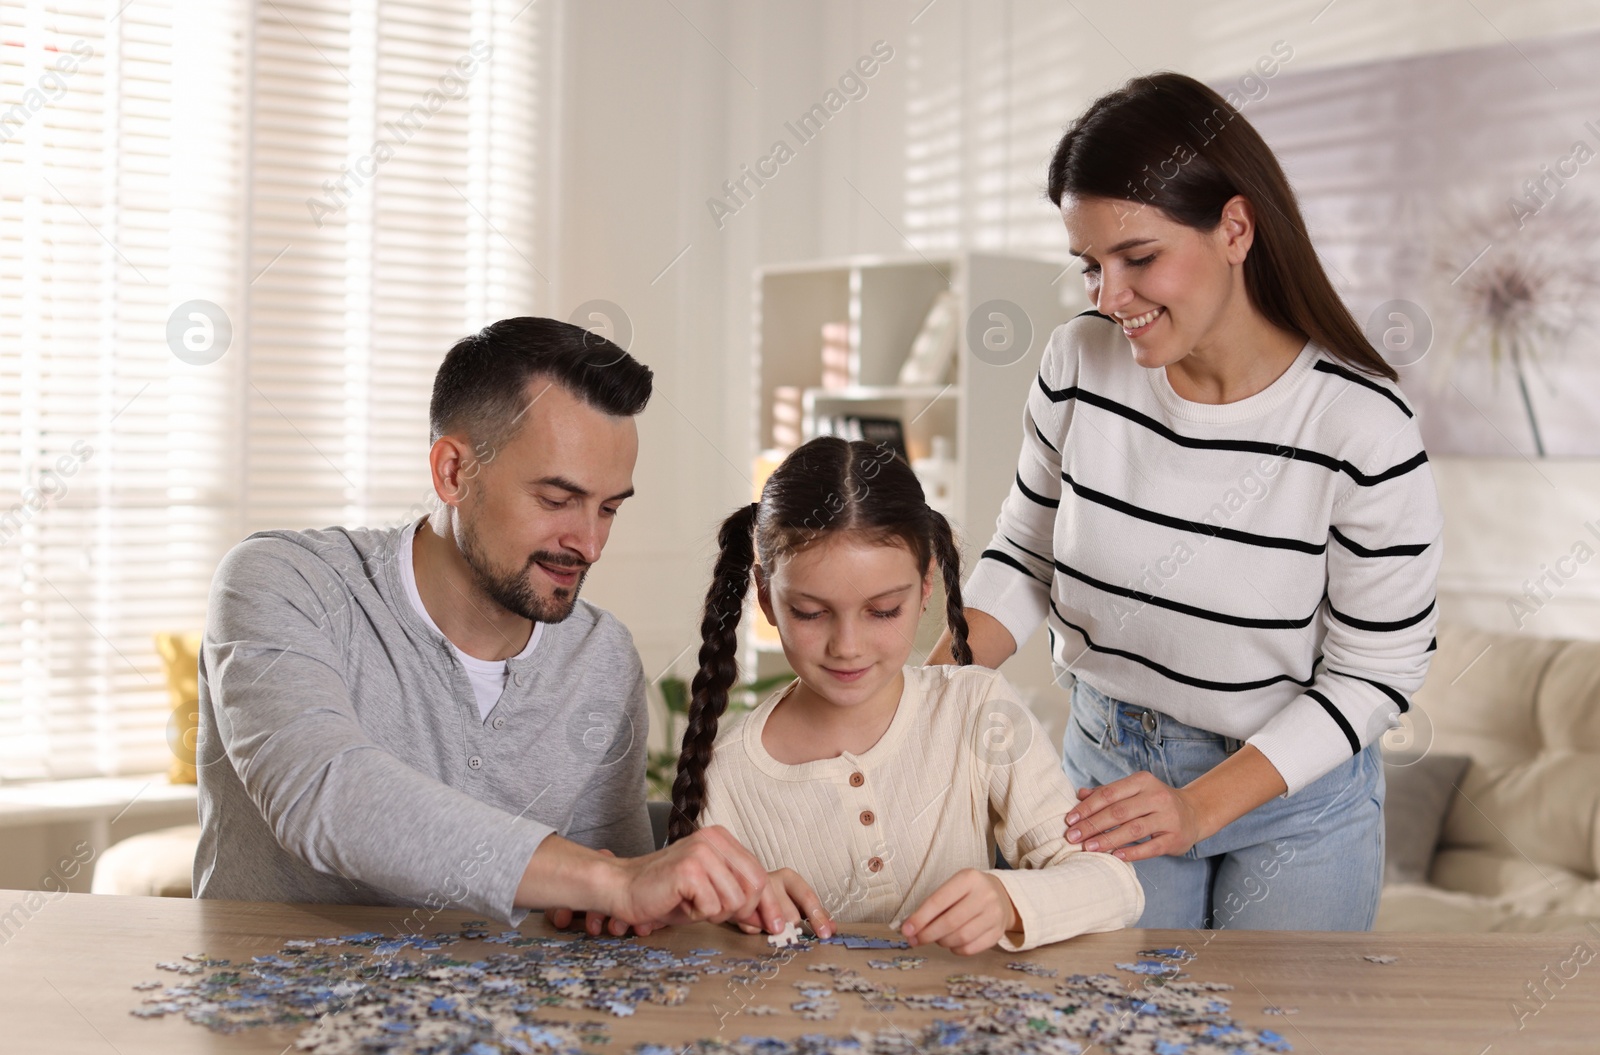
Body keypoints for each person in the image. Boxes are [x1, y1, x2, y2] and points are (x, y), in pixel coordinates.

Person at [929, 72, 1443, 931]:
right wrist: (926, 694)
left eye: (1138, 260)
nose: (1108, 298)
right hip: (1108, 773)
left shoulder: (1361, 425)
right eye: (1090, 266)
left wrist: (1201, 806)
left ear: (1234, 228)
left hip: (1292, 795)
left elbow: (1376, 671)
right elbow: (1025, 557)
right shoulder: (1077, 363)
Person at [195, 317, 790, 938]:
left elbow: (601, 910)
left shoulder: (601, 657)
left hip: (497, 1026)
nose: (588, 543)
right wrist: (612, 881)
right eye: (556, 500)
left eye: (609, 507)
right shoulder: (283, 583)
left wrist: (728, 887)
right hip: (266, 1018)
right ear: (453, 472)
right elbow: (323, 791)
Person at [667, 436, 1144, 955]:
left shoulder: (976, 707)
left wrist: (1009, 901)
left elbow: (1113, 885)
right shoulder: (729, 776)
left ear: (923, 589)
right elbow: (693, 950)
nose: (847, 647)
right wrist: (740, 917)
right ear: (765, 596)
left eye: (882, 610)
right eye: (810, 612)